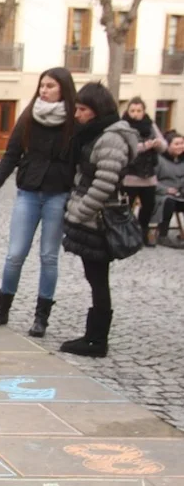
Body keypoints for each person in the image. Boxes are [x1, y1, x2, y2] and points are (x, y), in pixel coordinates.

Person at [0, 67, 78, 338]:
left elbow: (83, 160)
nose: (44, 90)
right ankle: (2, 309)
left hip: (58, 194)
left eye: (50, 86)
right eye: (42, 85)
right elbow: (11, 155)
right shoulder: (30, 115)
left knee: (49, 256)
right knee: (15, 254)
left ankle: (41, 317)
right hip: (29, 192)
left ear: (64, 89)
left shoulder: (74, 121)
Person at [60, 82, 138, 358]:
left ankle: (97, 340)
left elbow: (104, 182)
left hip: (98, 219)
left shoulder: (111, 138)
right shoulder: (97, 134)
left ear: (97, 110)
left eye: (82, 109)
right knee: (95, 277)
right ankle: (93, 336)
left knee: (98, 278)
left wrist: (80, 211)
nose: (77, 114)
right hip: (91, 217)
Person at [120, 97, 167, 247]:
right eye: (132, 110)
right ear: (128, 111)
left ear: (144, 111)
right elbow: (126, 148)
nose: (136, 113)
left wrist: (158, 144)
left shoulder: (150, 124)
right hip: (130, 176)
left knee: (148, 208)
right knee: (126, 209)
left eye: (139, 110)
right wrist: (146, 145)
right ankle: (126, 235)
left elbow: (164, 146)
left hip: (149, 177)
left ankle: (142, 234)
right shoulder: (124, 125)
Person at [155, 132, 184, 248]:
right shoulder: (159, 159)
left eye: (182, 143)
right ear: (168, 145)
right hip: (161, 194)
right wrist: (166, 189)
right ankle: (162, 235)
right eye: (177, 144)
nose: (180, 146)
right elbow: (151, 181)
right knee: (169, 202)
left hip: (180, 194)